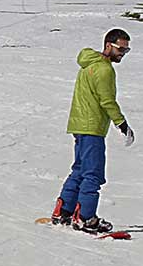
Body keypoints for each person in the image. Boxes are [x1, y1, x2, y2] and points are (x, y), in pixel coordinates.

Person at [52, 29, 132, 233]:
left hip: (80, 126)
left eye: (126, 49)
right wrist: (121, 123)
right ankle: (86, 217)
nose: (123, 53)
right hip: (92, 127)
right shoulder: (104, 70)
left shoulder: (88, 64)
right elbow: (106, 100)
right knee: (93, 173)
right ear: (108, 45)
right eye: (120, 48)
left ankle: (64, 211)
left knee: (79, 169)